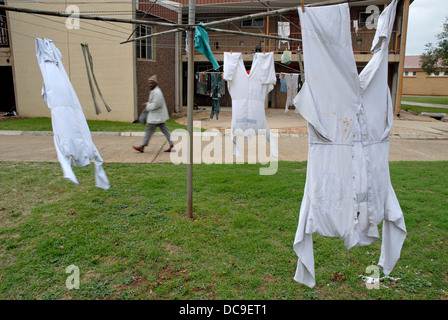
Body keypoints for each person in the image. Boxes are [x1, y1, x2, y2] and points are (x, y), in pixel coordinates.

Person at [133, 75, 174, 153]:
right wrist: (148, 103)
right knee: (165, 131)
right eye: (149, 83)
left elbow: (156, 104)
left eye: (151, 83)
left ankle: (142, 146)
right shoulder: (155, 91)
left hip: (156, 117)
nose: (150, 85)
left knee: (149, 131)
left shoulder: (157, 92)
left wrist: (147, 105)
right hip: (158, 117)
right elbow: (155, 103)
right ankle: (171, 145)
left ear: (155, 83)